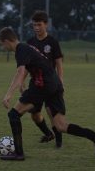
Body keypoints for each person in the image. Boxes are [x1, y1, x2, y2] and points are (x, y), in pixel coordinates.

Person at [0, 27, 95, 161]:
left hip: (43, 85)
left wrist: (8, 94)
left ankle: (19, 154)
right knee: (60, 126)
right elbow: (22, 71)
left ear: (7, 41)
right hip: (54, 84)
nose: (2, 47)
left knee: (13, 114)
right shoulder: (27, 48)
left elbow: (20, 72)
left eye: (2, 44)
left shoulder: (21, 49)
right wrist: (21, 85)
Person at [26, 10, 63, 147]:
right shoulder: (30, 42)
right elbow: (26, 64)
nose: (36, 28)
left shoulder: (52, 42)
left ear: (46, 25)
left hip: (50, 83)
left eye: (39, 25)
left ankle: (59, 141)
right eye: (34, 25)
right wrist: (22, 81)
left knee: (50, 112)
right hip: (35, 82)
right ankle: (48, 133)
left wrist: (60, 81)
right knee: (34, 114)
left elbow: (59, 63)